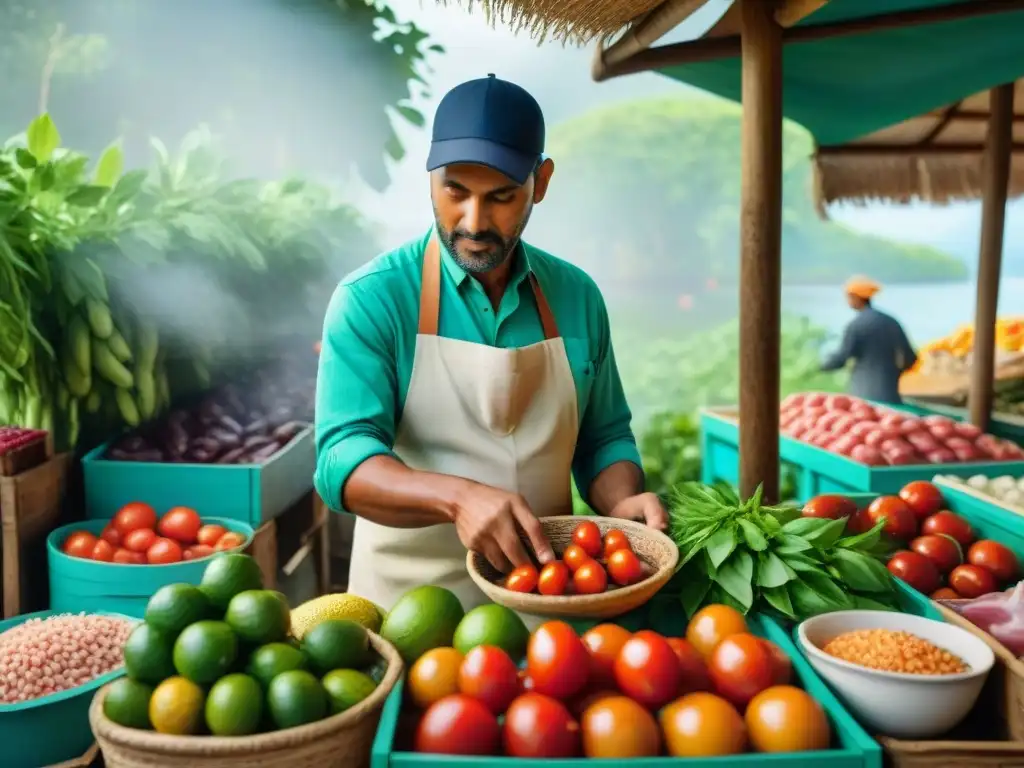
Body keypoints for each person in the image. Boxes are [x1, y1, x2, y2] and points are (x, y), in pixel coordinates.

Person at [314, 74, 666, 616]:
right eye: (455, 191)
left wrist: (621, 500)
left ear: (540, 182)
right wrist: (458, 498)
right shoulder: (372, 299)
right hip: (404, 614)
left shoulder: (577, 297)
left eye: (501, 197)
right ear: (430, 176)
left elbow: (603, 438)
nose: (474, 223)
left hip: (549, 608)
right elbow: (342, 460)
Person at [820, 276, 918, 404]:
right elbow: (910, 358)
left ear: (857, 297)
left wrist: (820, 366)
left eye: (849, 297)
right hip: (890, 394)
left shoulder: (855, 325)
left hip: (862, 394)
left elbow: (842, 358)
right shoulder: (891, 322)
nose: (847, 301)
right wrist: (893, 372)